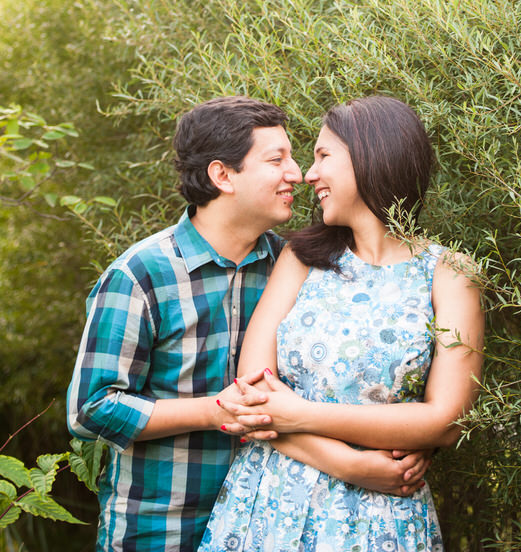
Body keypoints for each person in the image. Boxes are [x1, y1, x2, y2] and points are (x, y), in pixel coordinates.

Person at [67, 95, 429, 552]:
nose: (296, 173)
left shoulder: (293, 264)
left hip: (268, 517)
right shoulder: (141, 275)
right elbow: (90, 408)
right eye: (276, 159)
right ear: (222, 176)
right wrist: (216, 411)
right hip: (161, 527)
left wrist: (400, 446)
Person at [199, 95, 484, 552]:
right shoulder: (301, 258)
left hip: (383, 517)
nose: (308, 175)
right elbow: (252, 399)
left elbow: (447, 420)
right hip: (271, 504)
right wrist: (350, 465)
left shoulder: (450, 274)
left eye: (323, 156)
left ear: (371, 158)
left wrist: (302, 415)